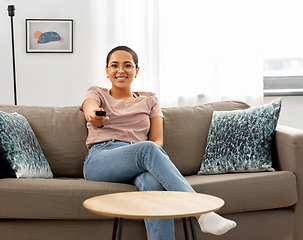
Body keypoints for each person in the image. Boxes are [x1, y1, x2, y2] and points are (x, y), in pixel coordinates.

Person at [80, 46, 236, 240]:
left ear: (136, 71)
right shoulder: (97, 92)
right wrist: (95, 117)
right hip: (102, 158)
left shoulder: (149, 99)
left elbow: (157, 140)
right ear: (107, 71)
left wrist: (143, 155)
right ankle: (202, 213)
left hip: (139, 160)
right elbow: (90, 108)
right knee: (148, 148)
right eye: (114, 66)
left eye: (127, 65)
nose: (121, 70)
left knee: (152, 182)